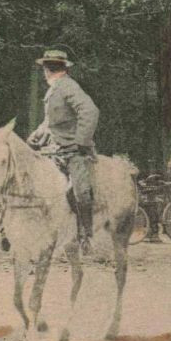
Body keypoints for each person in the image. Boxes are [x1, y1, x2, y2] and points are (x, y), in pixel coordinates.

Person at [32, 49, 100, 254]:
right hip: (52, 148)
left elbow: (89, 111)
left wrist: (81, 141)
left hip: (71, 149)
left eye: (46, 68)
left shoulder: (68, 86)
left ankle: (87, 235)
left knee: (80, 191)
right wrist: (37, 133)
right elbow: (52, 120)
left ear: (47, 69)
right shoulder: (55, 88)